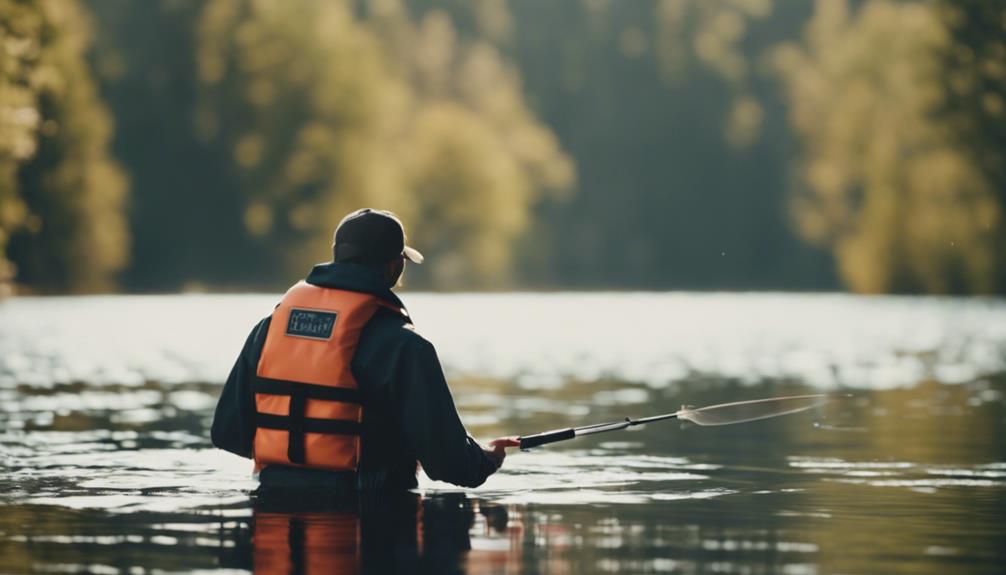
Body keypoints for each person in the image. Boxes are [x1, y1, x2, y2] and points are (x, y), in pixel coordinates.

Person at [211, 208, 518, 491]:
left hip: (273, 506)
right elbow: (453, 465)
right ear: (395, 266)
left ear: (337, 259)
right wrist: (486, 458)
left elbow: (226, 433)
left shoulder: (267, 329)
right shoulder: (406, 346)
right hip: (369, 517)